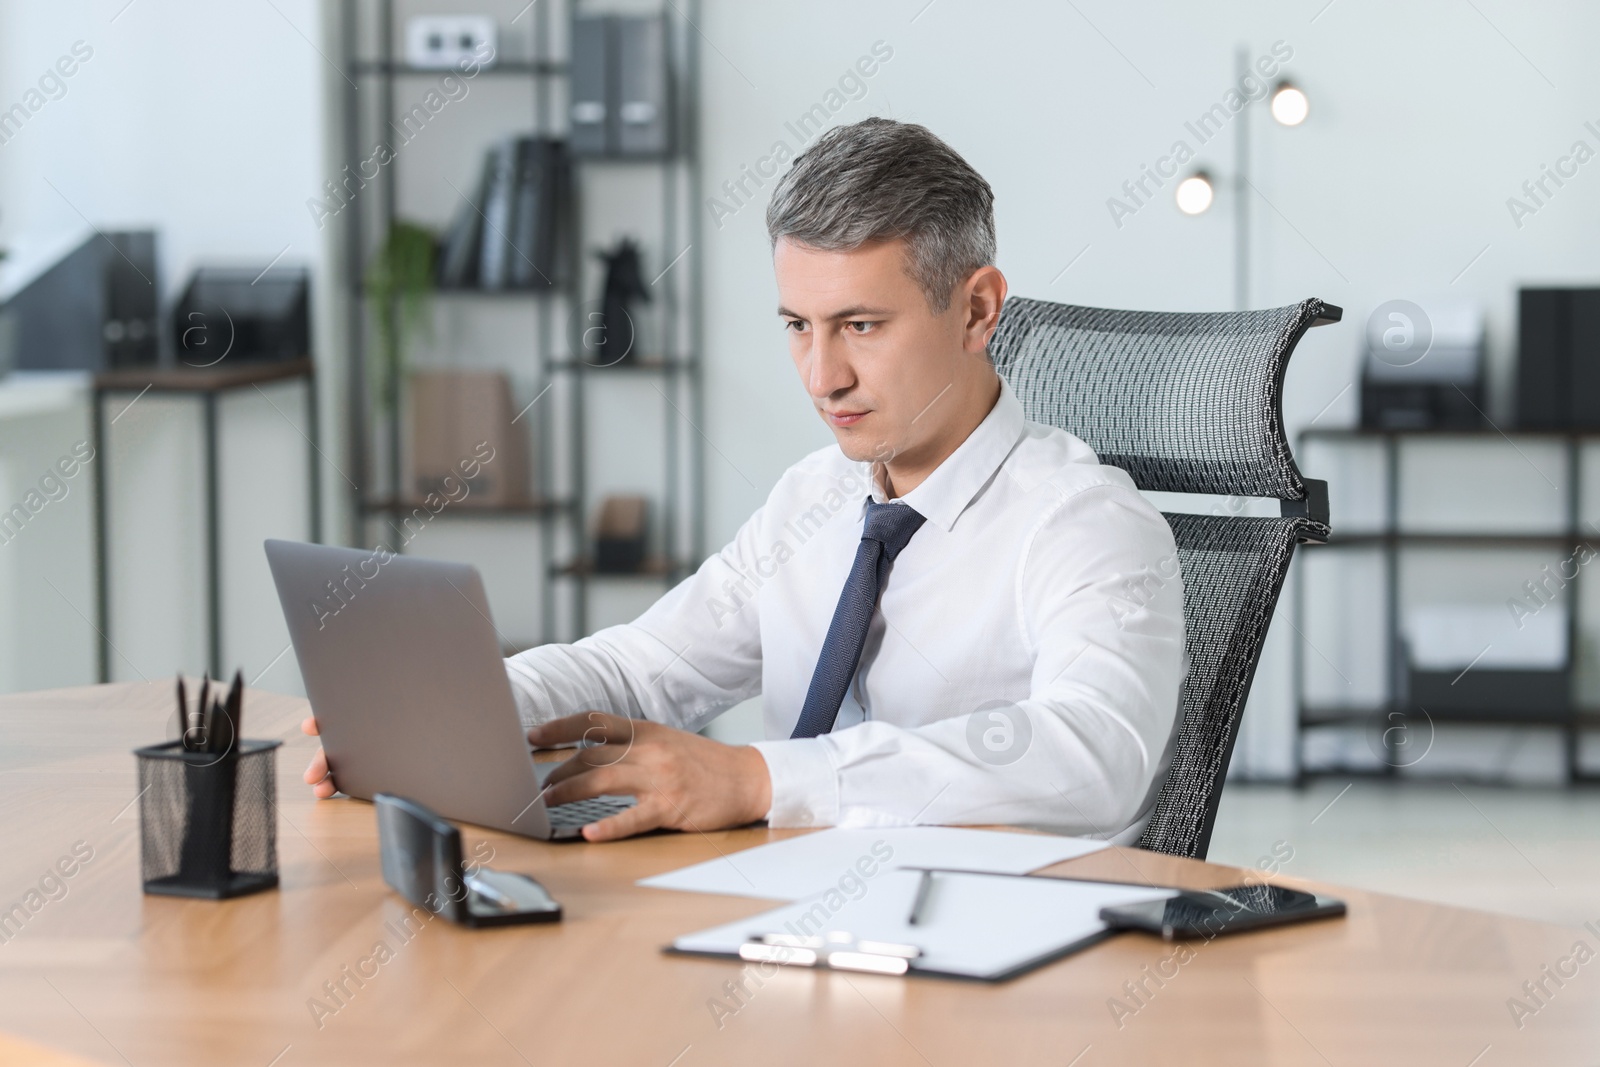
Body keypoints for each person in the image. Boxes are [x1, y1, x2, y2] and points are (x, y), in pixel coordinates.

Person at [304, 117, 1185, 844]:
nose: (820, 375)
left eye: (862, 325)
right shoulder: (815, 501)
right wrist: (462, 709)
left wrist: (759, 776)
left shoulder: (1085, 522)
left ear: (978, 310)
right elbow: (646, 670)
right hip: (789, 921)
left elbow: (1094, 752)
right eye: (798, 325)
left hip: (991, 965)